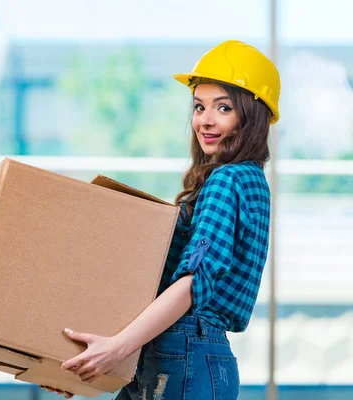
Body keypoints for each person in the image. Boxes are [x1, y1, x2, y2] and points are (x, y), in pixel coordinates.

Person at [41, 40, 280, 399]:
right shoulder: (250, 182)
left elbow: (192, 282)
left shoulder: (228, 179)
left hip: (186, 349)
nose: (205, 120)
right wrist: (90, 361)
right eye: (199, 106)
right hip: (183, 351)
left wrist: (117, 348)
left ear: (253, 116)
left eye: (223, 107)